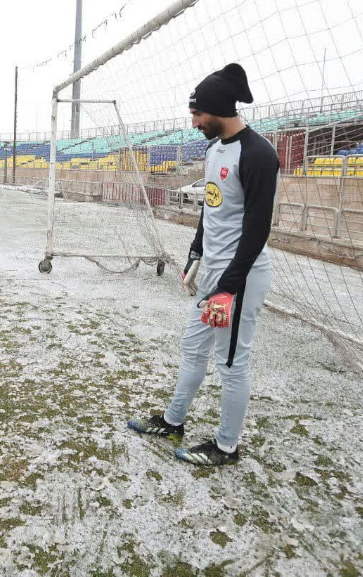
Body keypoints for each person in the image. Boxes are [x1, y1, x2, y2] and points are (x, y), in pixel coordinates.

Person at [128, 63, 279, 466]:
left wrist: (229, 286)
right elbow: (210, 210)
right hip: (214, 272)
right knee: (192, 348)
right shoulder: (214, 150)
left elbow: (257, 229)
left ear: (217, 110)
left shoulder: (259, 154)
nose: (193, 122)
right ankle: (173, 421)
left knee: (231, 363)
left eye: (198, 114)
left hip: (241, 277)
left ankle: (226, 446)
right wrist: (196, 252)